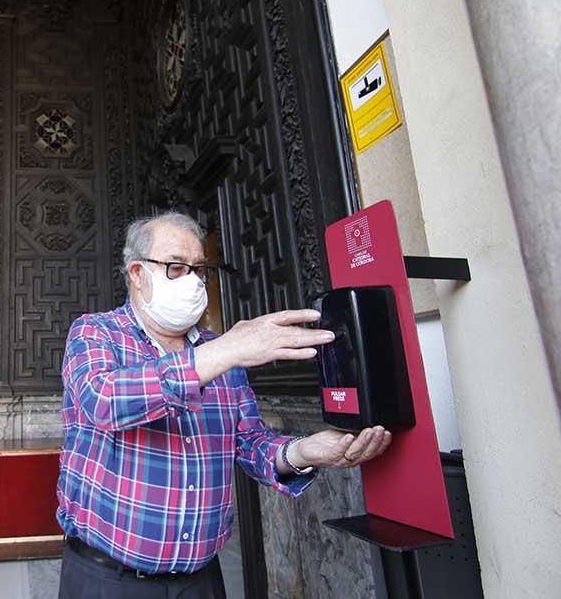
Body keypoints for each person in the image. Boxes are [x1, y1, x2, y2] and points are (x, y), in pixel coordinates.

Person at [56, 211, 393, 597]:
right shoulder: (95, 333)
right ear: (136, 273)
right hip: (108, 581)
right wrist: (225, 350)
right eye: (176, 267)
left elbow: (248, 442)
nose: (194, 282)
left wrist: (304, 451)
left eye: (199, 270)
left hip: (201, 581)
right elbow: (104, 401)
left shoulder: (218, 351)